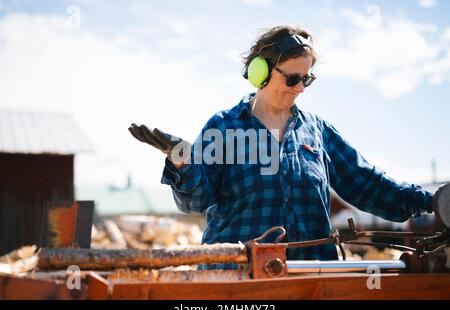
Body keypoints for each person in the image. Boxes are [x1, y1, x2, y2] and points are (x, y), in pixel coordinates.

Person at [129, 25, 449, 269]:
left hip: (311, 278)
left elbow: (366, 182)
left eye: (306, 80)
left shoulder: (317, 131)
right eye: (293, 78)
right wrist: (183, 163)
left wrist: (432, 201)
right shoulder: (224, 127)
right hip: (239, 280)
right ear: (262, 72)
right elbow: (195, 202)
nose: (300, 89)